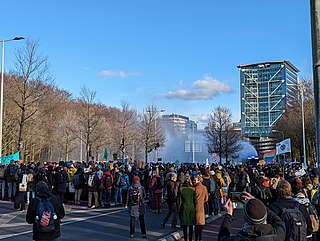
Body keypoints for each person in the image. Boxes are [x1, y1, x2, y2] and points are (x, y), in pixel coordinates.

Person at [218, 192, 285, 241]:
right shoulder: (278, 234)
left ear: (246, 219)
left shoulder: (241, 238)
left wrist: (228, 215)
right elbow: (278, 221)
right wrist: (258, 203)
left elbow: (222, 238)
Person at [178, 175, 197, 241]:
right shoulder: (193, 189)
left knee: (185, 225)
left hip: (184, 208)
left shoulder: (181, 189)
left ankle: (186, 238)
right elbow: (195, 201)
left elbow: (179, 201)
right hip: (191, 208)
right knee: (191, 225)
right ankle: (191, 239)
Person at [194, 174, 209, 241]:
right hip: (201, 207)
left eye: (195, 180)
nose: (194, 181)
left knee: (196, 224)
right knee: (200, 224)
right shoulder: (204, 188)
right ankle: (200, 238)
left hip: (195, 207)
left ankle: (197, 238)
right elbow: (206, 198)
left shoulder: (195, 189)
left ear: (198, 180)